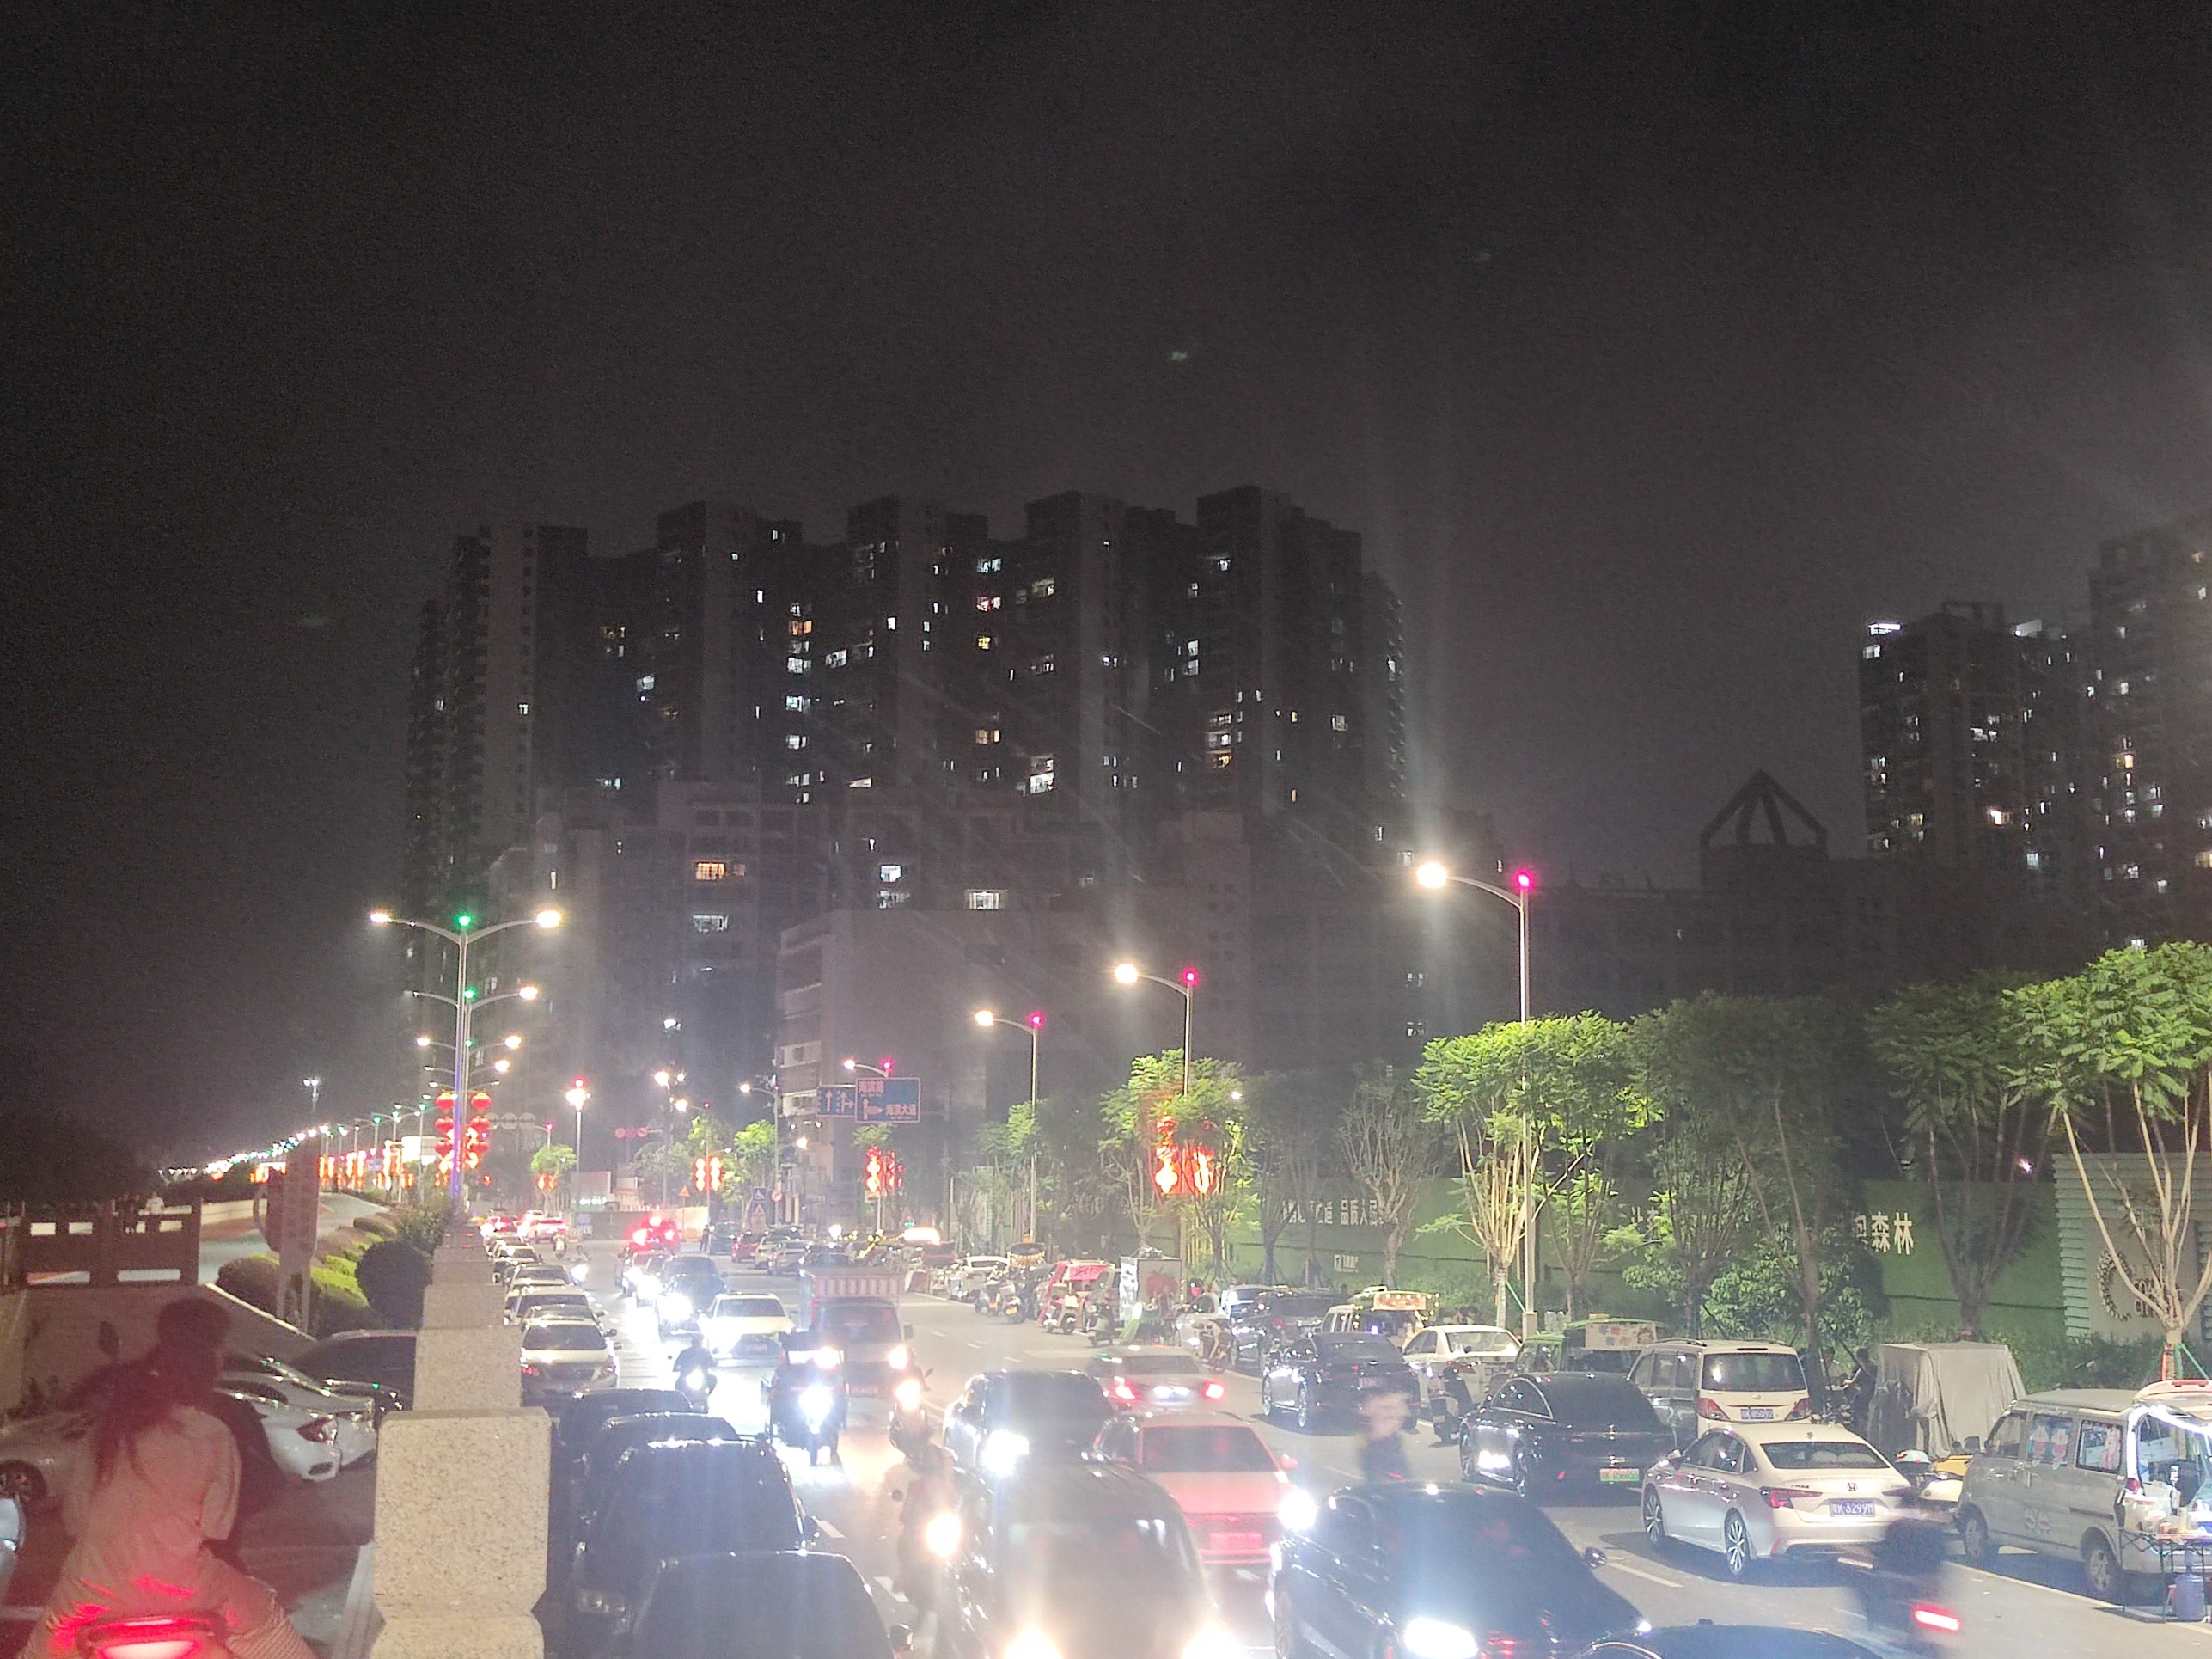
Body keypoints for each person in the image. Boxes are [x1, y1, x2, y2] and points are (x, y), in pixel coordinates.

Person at [39, 1329, 316, 1659]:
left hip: (87, 1595)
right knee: (267, 1625)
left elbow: (74, 1520)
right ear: (204, 1383)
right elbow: (217, 1527)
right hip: (191, 1590)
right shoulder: (212, 1434)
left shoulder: (101, 1436)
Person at [1356, 1385, 1411, 1483]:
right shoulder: (1395, 1401)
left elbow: (1364, 1414)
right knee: (1395, 1465)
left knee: (1375, 1470)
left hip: (1378, 1439)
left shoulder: (1374, 1402)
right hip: (1389, 1438)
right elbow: (1405, 1415)